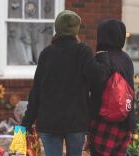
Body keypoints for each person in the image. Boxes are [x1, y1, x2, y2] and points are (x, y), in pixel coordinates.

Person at [21, 10, 111, 156]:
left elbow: (36, 90)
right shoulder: (83, 51)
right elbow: (100, 75)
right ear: (76, 29)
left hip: (48, 122)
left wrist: (26, 122)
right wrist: (104, 56)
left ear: (58, 28)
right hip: (75, 122)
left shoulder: (46, 53)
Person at [88, 19, 136, 156]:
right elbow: (130, 89)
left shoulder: (102, 57)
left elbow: (96, 88)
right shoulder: (126, 59)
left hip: (103, 120)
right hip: (123, 119)